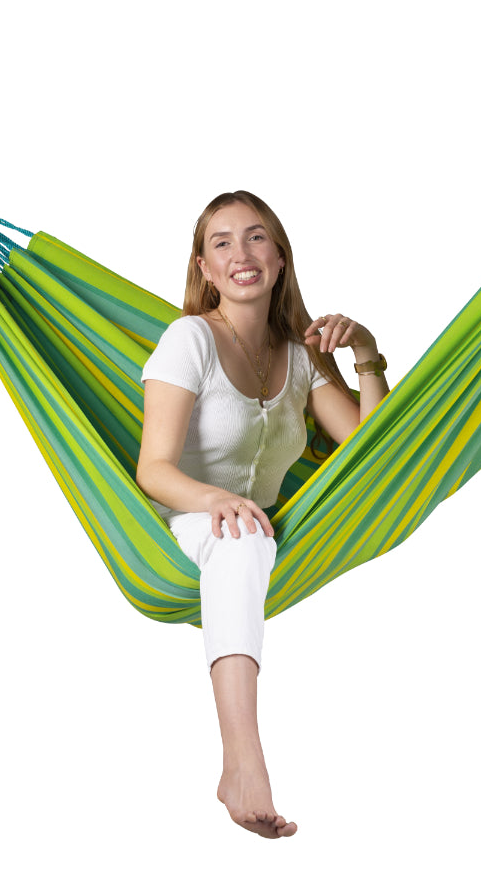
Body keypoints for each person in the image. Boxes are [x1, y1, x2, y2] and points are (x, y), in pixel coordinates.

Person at [135, 191, 389, 838]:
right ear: (204, 268)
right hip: (183, 525)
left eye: (256, 238)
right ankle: (241, 759)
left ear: (278, 259)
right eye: (222, 242)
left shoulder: (301, 358)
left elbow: (378, 452)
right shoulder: (188, 339)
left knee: (248, 536)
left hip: (265, 532)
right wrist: (215, 500)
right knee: (241, 535)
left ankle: (240, 761)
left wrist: (364, 350)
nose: (240, 253)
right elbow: (154, 471)